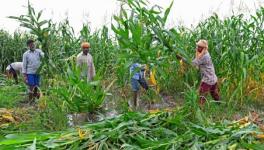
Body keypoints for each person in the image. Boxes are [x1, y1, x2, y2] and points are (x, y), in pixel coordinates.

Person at [192, 39, 220, 105]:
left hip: (208, 79)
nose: (197, 48)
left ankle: (200, 110)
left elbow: (193, 63)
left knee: (201, 96)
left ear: (204, 48)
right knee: (214, 93)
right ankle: (220, 104)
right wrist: (197, 51)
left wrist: (182, 58)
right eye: (197, 46)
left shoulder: (205, 56)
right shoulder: (205, 53)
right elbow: (197, 59)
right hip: (213, 78)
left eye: (200, 47)